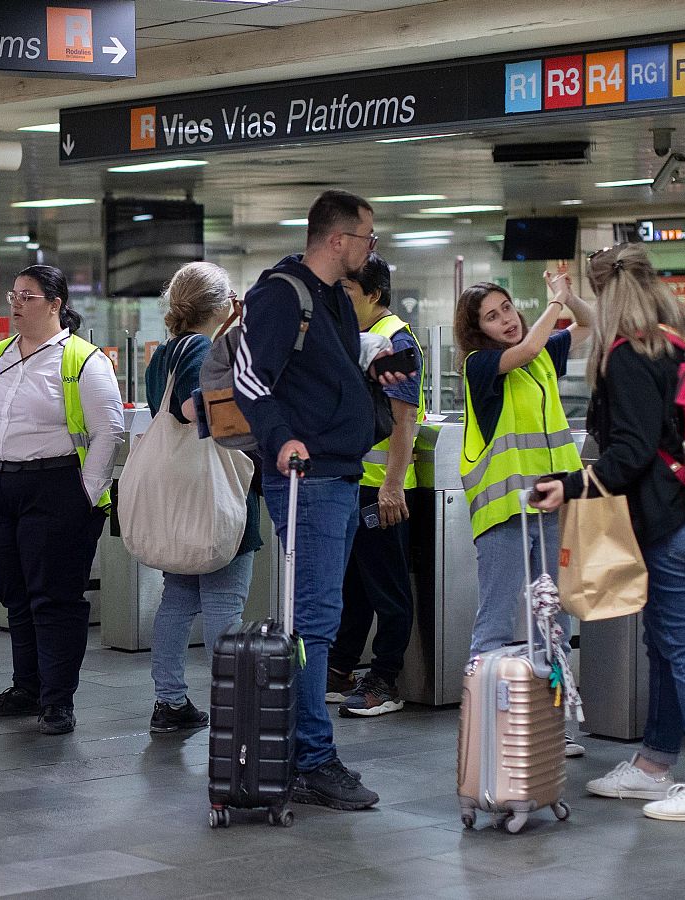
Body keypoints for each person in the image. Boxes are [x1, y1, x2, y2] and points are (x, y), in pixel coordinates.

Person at [535, 243, 685, 824]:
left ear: (605, 295)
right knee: (670, 645)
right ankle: (655, 761)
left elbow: (628, 452)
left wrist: (569, 485)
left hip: (675, 525)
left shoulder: (631, 354)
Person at [231, 189, 392, 811]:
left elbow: (322, 382)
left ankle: (307, 752)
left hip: (339, 476)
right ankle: (311, 758)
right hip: (307, 479)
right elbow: (250, 377)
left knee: (318, 618)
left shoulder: (333, 302)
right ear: (337, 239)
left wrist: (373, 384)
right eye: (366, 239)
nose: (369, 250)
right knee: (313, 623)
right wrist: (280, 438)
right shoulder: (282, 294)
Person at [0, 265, 124, 737]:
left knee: (54, 599)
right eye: (13, 295)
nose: (15, 303)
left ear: (55, 305)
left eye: (27, 297)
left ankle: (57, 700)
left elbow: (107, 432)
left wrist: (84, 494)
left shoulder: (82, 360)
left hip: (53, 487)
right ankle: (26, 688)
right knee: (15, 596)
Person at [454, 274, 591, 756]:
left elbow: (588, 326)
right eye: (492, 316)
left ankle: (552, 724)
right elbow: (529, 350)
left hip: (549, 506)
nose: (506, 320)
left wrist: (570, 297)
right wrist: (554, 301)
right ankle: (484, 724)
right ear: (477, 331)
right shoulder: (481, 364)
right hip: (503, 512)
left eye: (508, 308)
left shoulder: (539, 356)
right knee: (495, 619)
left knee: (552, 618)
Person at [142, 261, 264, 734]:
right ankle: (233, 704)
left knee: (178, 598)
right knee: (224, 602)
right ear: (221, 303)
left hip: (181, 494)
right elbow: (196, 410)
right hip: (216, 491)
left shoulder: (164, 353)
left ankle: (169, 701)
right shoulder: (201, 348)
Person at [330, 253, 423, 718]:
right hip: (350, 480)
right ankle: (341, 666)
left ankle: (385, 677)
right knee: (352, 585)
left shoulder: (395, 341)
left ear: (374, 295)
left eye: (348, 292)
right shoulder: (358, 339)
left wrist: (393, 486)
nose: (340, 300)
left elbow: (404, 421)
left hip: (379, 487)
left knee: (386, 586)